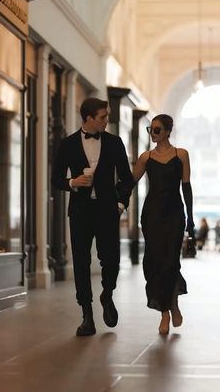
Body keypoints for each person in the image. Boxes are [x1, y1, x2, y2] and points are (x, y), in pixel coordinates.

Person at [52, 97, 134, 336]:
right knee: (80, 261)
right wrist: (72, 182)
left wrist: (121, 203)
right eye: (102, 117)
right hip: (80, 211)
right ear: (88, 118)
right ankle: (87, 314)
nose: (106, 121)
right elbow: (56, 179)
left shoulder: (115, 142)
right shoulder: (67, 144)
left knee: (112, 259)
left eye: (106, 116)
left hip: (108, 210)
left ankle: (107, 293)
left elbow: (127, 179)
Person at [133, 114, 194, 335]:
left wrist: (191, 219)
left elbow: (186, 188)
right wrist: (114, 200)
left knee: (171, 262)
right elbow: (129, 183)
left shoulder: (181, 155)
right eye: (151, 129)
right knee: (155, 263)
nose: (153, 133)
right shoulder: (145, 158)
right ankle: (168, 309)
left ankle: (169, 309)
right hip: (152, 216)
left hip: (175, 215)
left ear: (168, 131)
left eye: (157, 130)